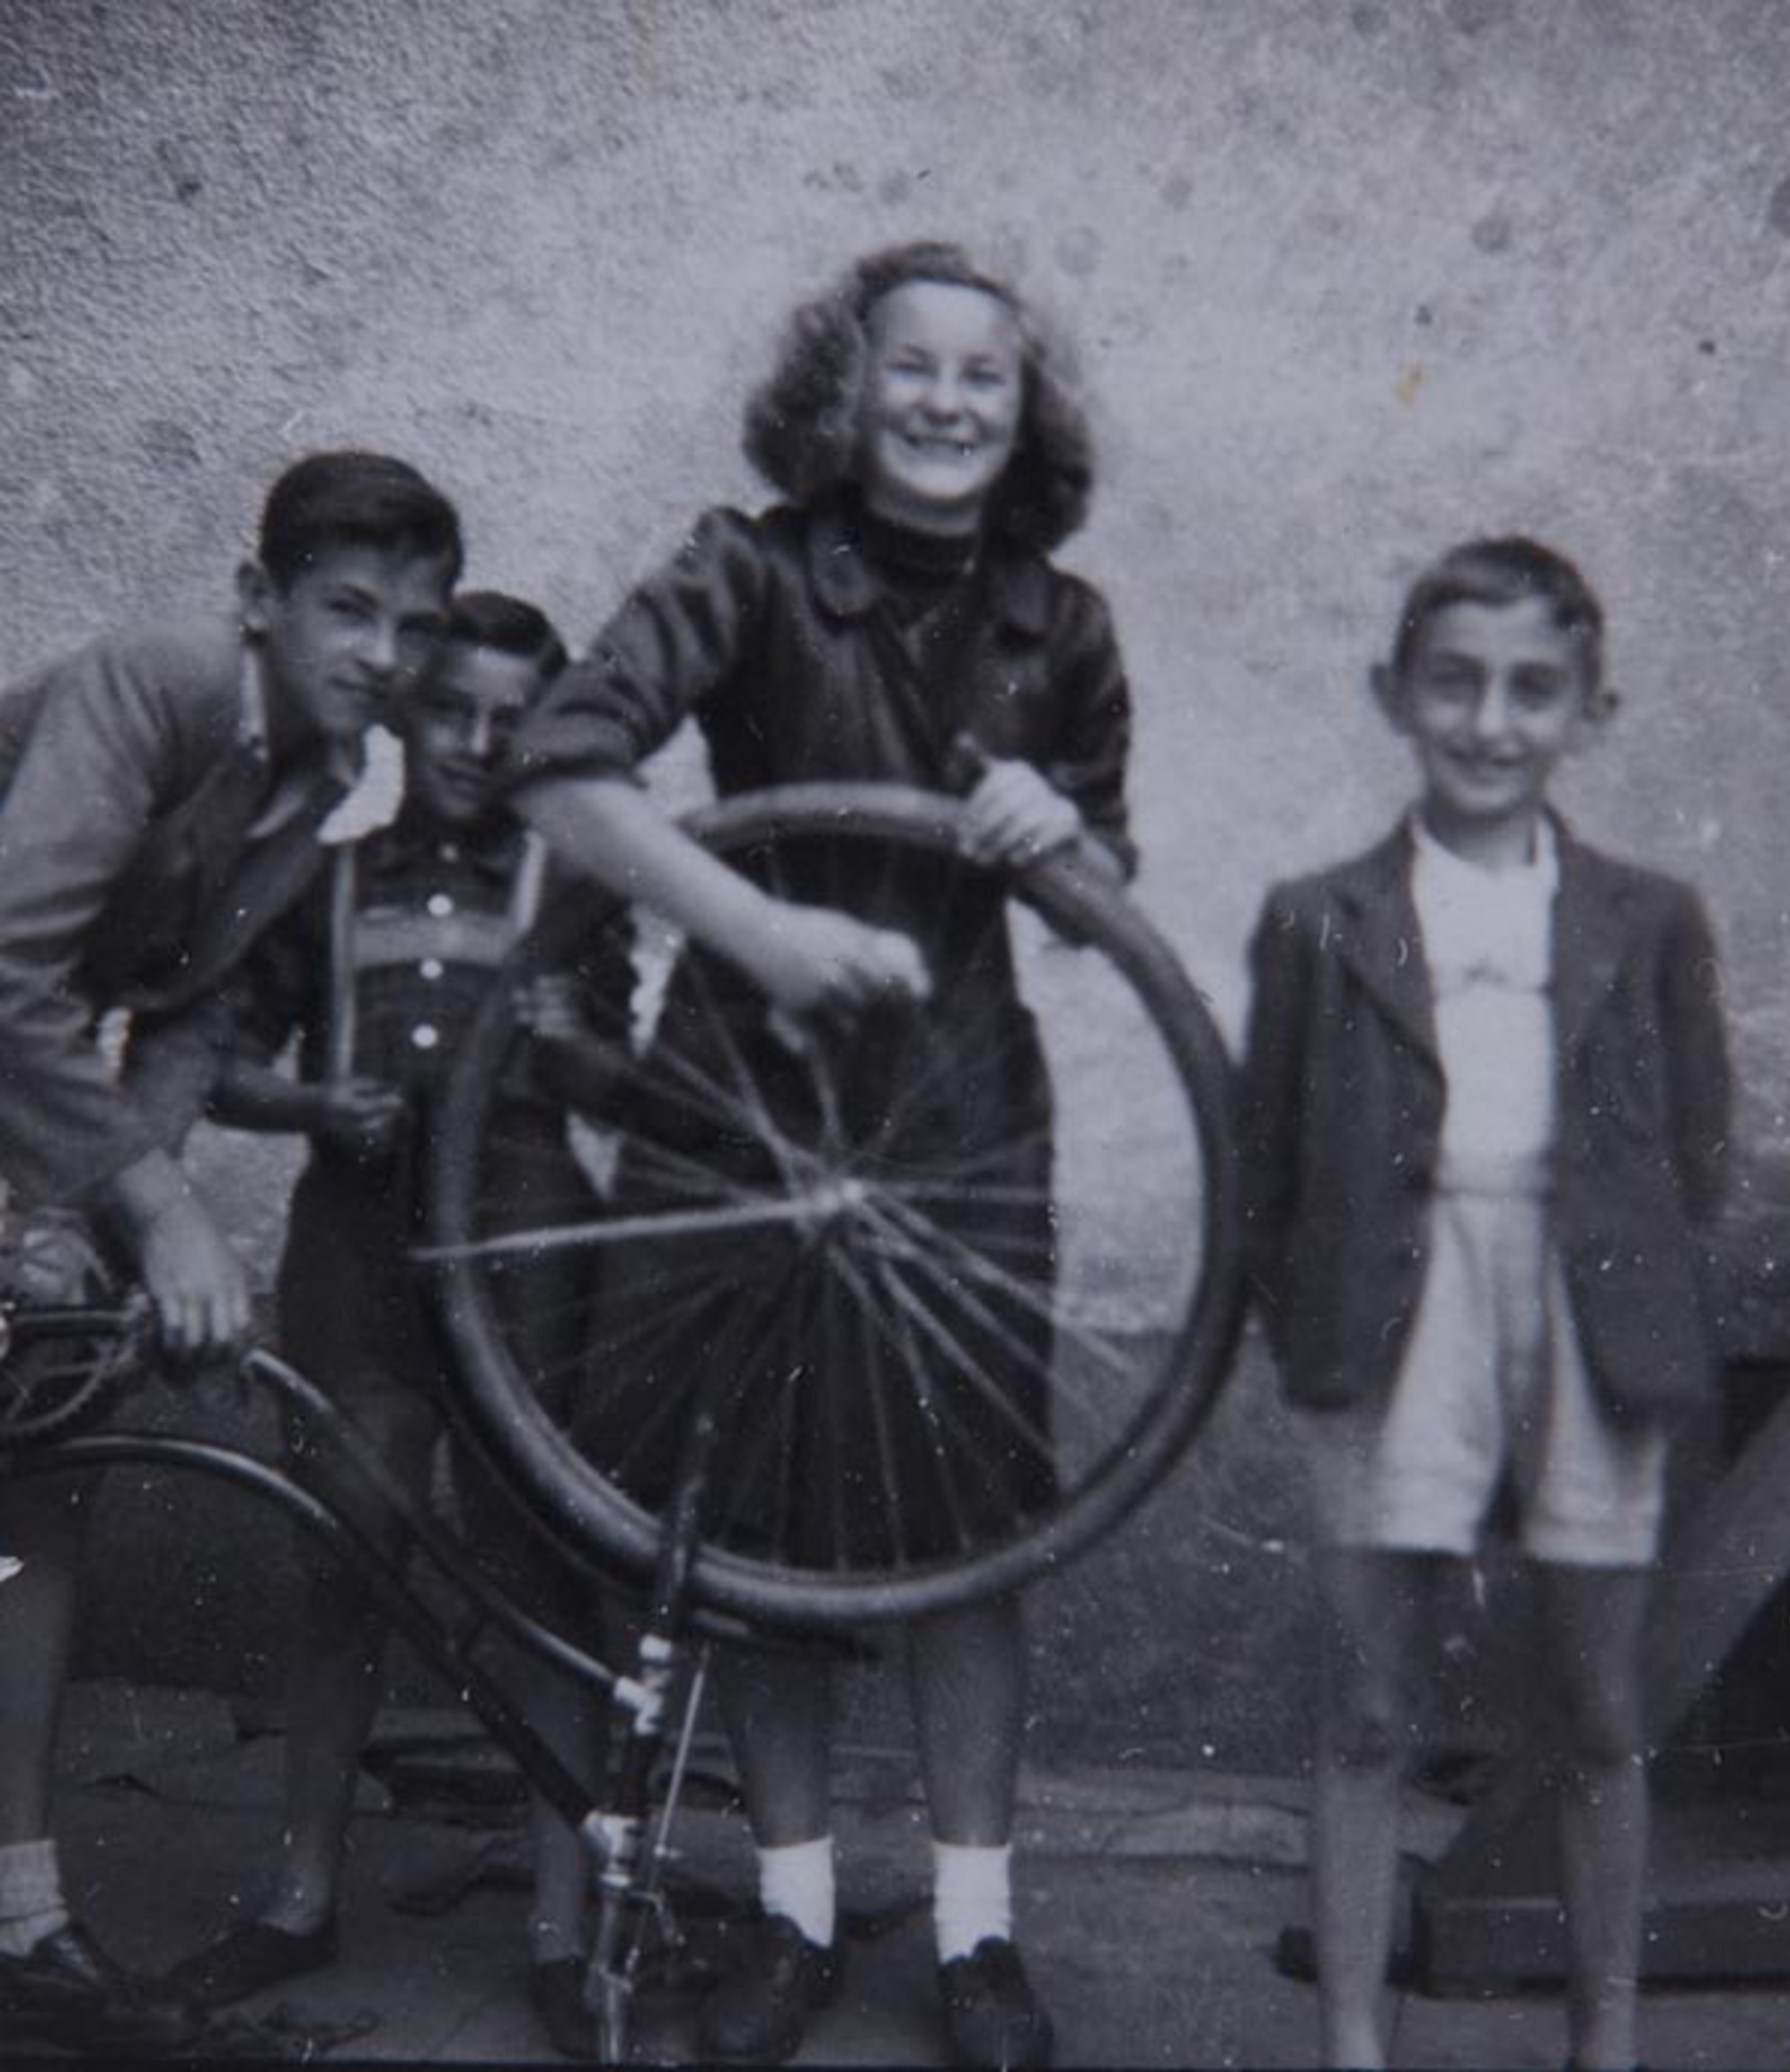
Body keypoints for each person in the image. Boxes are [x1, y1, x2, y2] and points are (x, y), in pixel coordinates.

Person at [502, 239, 1133, 2070]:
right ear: (841, 397)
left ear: (1025, 413)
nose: (945, 401)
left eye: (984, 376)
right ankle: (788, 1915)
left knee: (968, 1525)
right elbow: (563, 764)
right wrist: (758, 931)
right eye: (908, 367)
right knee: (753, 1511)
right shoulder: (748, 568)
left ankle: (977, 1936)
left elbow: (1104, 899)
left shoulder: (1066, 626)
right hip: (747, 1088)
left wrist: (1055, 829)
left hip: (957, 1110)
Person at [1239, 538, 1731, 2072]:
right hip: (1395, 1313)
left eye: (1533, 690)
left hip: (1588, 1310)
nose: (1490, 723)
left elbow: (1699, 1153)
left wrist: (1615, 1286)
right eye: (1453, 684)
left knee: (1594, 1705)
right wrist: (1324, 1338)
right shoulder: (1319, 918)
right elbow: (1268, 1169)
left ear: (1591, 712)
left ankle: (1606, 2037)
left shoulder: (1648, 919)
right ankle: (1350, 2041)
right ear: (1394, 695)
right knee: (1369, 1704)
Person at [0, 452, 463, 2057]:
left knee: (38, 1462)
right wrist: (156, 1209)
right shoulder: (164, 685)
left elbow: (188, 1012)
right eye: (349, 609)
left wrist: (85, 1230)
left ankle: (21, 1922)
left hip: (27, 1104)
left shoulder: (323, 778)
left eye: (417, 625)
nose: (385, 656)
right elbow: (7, 964)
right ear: (261, 601)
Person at [160, 593, 622, 2059]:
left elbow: (626, 1080)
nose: (477, 743)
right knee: (345, 1553)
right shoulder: (327, 876)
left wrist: (573, 1051)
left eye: (511, 724)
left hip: (526, 1247)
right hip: (356, 1252)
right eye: (452, 711)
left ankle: (564, 1933)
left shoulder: (572, 884)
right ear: (410, 712)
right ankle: (301, 1898)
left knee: (543, 1570)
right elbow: (221, 1064)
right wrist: (312, 1101)